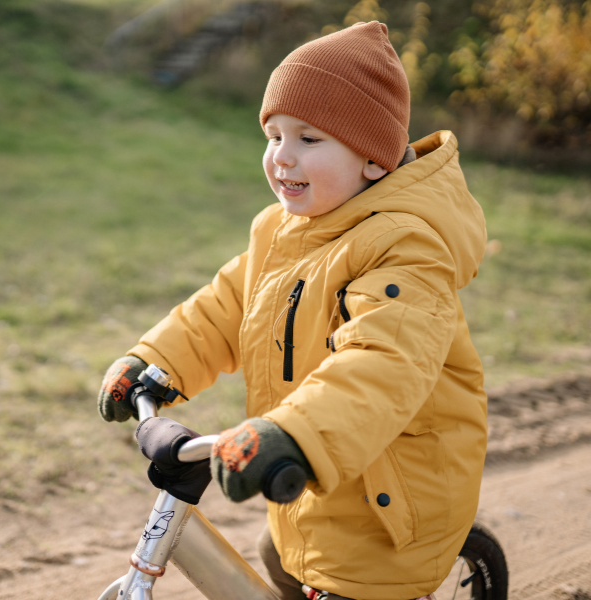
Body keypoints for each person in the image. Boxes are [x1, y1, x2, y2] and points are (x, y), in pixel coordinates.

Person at [97, 21, 488, 600]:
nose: (282, 157)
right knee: (274, 557)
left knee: (351, 581)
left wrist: (294, 432)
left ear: (373, 162)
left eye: (309, 140)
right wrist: (155, 362)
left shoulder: (406, 249)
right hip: (318, 476)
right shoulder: (283, 231)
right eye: (274, 135)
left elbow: (383, 363)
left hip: (390, 497)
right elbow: (224, 306)